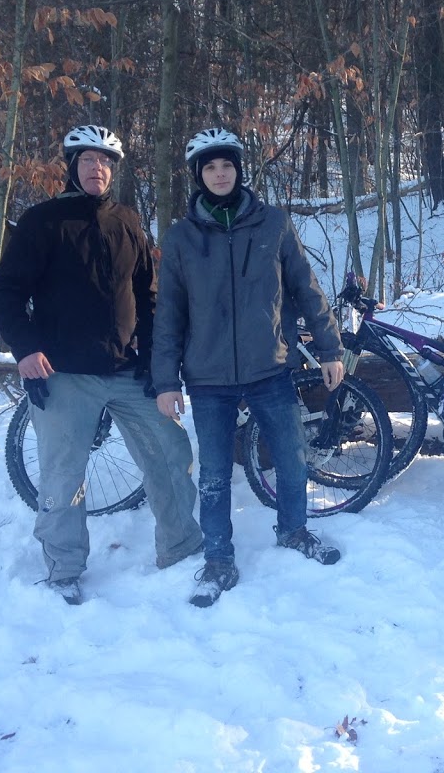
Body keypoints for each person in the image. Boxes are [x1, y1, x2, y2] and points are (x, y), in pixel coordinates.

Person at [0, 125, 203, 605]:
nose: (97, 168)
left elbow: (149, 295)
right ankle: (64, 569)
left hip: (129, 372)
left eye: (105, 161)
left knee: (171, 454)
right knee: (64, 474)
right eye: (87, 160)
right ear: (71, 166)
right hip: (64, 374)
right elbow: (5, 290)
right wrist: (25, 349)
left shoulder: (128, 220)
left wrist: (153, 361)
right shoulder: (42, 222)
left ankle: (182, 547)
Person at [152, 127, 345, 608]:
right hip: (207, 378)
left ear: (239, 170)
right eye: (210, 167)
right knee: (215, 473)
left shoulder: (273, 224)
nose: (220, 174)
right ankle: (218, 559)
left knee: (292, 458)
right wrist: (165, 381)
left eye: (227, 165)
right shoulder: (179, 238)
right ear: (199, 176)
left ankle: (295, 530)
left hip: (269, 368)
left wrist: (330, 349)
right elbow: (169, 315)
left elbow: (307, 289)